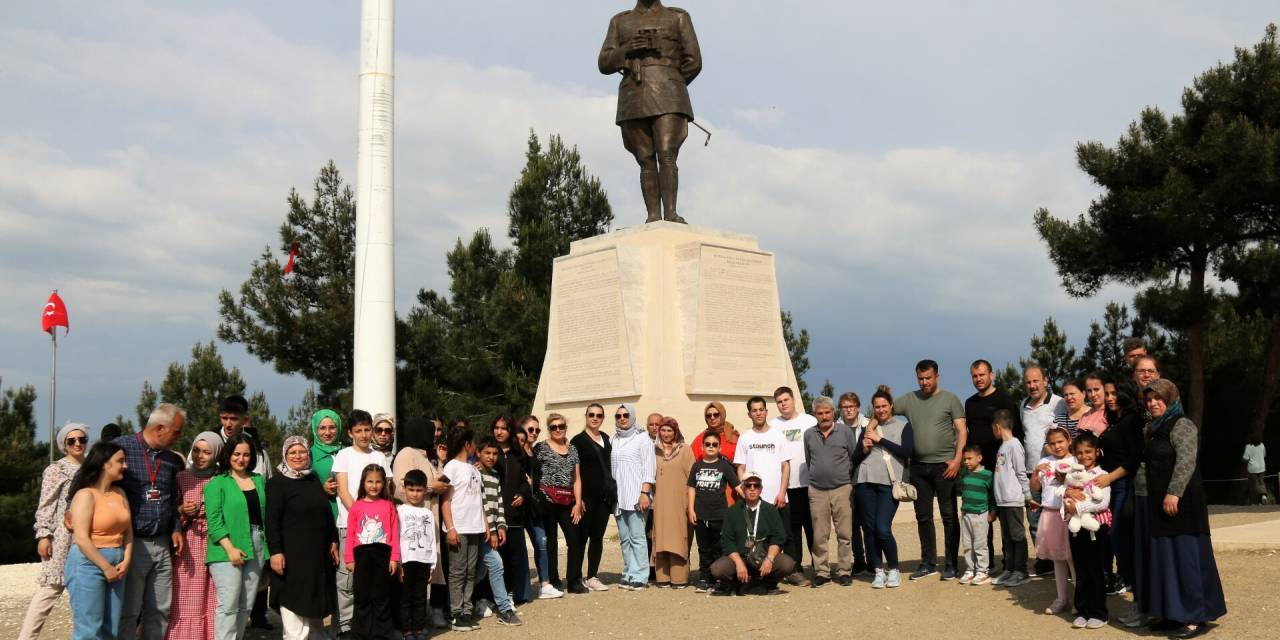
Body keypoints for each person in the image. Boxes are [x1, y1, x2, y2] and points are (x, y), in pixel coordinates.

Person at [1127, 379, 1226, 638]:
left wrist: (1173, 493)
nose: (1153, 403)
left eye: (1158, 398)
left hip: (1180, 506)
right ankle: (1171, 614)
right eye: (1148, 399)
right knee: (1163, 562)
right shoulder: (1150, 428)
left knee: (1185, 560)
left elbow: (1186, 461)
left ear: (1171, 399)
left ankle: (1194, 616)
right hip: (1156, 505)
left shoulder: (1182, 424)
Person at [597, 0, 703, 223]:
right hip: (633, 95)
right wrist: (627, 49)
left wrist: (671, 80)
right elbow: (604, 63)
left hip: (669, 94)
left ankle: (671, 213)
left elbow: (694, 61)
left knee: (667, 152)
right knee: (645, 158)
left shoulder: (678, 17)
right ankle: (653, 216)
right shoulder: (620, 21)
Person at [114, 403, 186, 640]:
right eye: (176, 431)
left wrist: (176, 527)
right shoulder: (120, 449)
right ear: (159, 428)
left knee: (159, 608)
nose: (180, 436)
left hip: (163, 543)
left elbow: (173, 498)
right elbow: (88, 480)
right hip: (134, 543)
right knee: (130, 609)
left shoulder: (171, 460)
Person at [892, 360, 967, 581]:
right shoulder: (909, 399)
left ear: (937, 377)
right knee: (923, 516)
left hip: (945, 466)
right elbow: (884, 409)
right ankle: (928, 563)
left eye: (928, 378)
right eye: (921, 378)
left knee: (949, 516)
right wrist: (870, 429)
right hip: (918, 467)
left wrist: (957, 460)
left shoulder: (950, 399)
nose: (924, 382)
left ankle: (951, 564)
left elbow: (962, 430)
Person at [20, 422, 87, 640]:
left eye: (82, 439)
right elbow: (46, 504)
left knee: (85, 592)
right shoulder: (55, 470)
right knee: (50, 590)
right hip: (62, 538)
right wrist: (44, 535)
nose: (77, 443)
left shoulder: (93, 467)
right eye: (72, 440)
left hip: (90, 536)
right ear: (64, 445)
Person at [266, 436, 338, 640]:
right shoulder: (276, 484)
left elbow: (325, 512)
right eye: (292, 452)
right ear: (285, 455)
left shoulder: (313, 478)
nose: (298, 456)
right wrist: (276, 552)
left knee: (315, 615)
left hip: (316, 558)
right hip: (291, 559)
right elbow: (272, 522)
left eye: (302, 452)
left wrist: (333, 540)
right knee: (295, 623)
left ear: (309, 454)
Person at [331, 410, 392, 635]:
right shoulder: (344, 455)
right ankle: (347, 626)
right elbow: (343, 489)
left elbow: (386, 488)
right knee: (348, 578)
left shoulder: (379, 456)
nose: (364, 434)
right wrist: (360, 514)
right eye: (359, 430)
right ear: (350, 433)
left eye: (367, 429)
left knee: (374, 579)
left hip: (378, 531)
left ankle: (374, 626)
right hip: (351, 524)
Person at [64, 441, 133, 640]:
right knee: (88, 630)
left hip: (117, 562)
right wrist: (105, 567)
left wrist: (126, 559)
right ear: (104, 463)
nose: (125, 465)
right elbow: (82, 538)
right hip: (89, 563)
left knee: (110, 629)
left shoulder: (120, 493)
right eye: (120, 461)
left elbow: (128, 531)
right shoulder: (85, 495)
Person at [204, 433, 268, 640]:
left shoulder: (258, 481)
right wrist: (230, 548)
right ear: (228, 455)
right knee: (229, 604)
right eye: (236, 454)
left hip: (256, 543)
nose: (241, 459)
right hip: (226, 548)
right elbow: (213, 521)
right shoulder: (217, 483)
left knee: (246, 604)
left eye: (246, 455)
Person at [851, 386, 913, 589]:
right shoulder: (868, 427)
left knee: (882, 528)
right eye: (877, 406)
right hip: (864, 480)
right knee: (868, 529)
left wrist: (880, 439)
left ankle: (893, 569)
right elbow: (855, 458)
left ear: (891, 405)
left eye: (884, 405)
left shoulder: (903, 425)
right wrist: (865, 447)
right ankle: (878, 569)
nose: (880, 409)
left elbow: (906, 452)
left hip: (889, 482)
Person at [964, 359, 1021, 578]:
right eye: (974, 376)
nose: (978, 379)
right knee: (981, 515)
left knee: (1006, 515)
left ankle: (1010, 563)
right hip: (979, 468)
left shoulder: (1004, 399)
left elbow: (1018, 432)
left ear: (992, 374)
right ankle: (983, 565)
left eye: (982, 375)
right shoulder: (970, 403)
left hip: (1003, 468)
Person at [392, 416, 449, 628]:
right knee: (410, 576)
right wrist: (431, 488)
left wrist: (441, 462)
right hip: (412, 524)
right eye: (428, 430)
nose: (433, 435)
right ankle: (405, 624)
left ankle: (422, 618)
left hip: (429, 520)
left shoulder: (426, 456)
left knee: (430, 570)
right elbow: (400, 487)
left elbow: (438, 480)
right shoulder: (406, 454)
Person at [166, 432, 221, 640]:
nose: (200, 456)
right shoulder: (181, 477)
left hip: (214, 541)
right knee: (186, 592)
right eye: (196, 450)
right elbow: (169, 510)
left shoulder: (221, 479)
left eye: (207, 452)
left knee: (212, 591)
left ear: (216, 454)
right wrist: (181, 509)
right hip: (187, 542)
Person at [803, 396, 858, 586]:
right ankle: (822, 572)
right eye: (820, 413)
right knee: (819, 534)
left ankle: (843, 571)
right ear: (814, 414)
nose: (824, 416)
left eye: (827, 412)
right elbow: (810, 460)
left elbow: (853, 457)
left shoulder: (845, 432)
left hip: (842, 488)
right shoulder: (809, 434)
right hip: (817, 490)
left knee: (844, 533)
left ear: (833, 412)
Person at [709, 472, 795, 593]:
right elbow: (727, 541)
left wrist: (769, 559)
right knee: (717, 569)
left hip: (762, 556)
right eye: (748, 486)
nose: (752, 489)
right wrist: (739, 563)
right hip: (741, 556)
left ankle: (768, 584)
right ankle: (735, 584)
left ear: (761, 489)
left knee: (787, 564)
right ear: (743, 488)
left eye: (756, 485)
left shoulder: (770, 510)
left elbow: (779, 537)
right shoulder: (732, 512)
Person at [1096, 378, 1142, 599]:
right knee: (1112, 534)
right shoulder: (1115, 420)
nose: (1110, 398)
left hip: (1122, 484)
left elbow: (1134, 457)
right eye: (1107, 394)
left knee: (1119, 534)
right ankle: (1124, 578)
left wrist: (1110, 477)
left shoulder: (1132, 419)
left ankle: (1131, 580)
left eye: (1114, 393)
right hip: (1111, 485)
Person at [1019, 365, 1066, 577]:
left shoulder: (1058, 403)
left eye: (1036, 381)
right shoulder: (1023, 405)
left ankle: (1063, 559)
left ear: (1045, 381)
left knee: (1058, 518)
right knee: (1034, 519)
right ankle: (1043, 561)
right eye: (1028, 382)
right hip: (1032, 472)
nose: (1032, 386)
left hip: (1055, 472)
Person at [531, 414, 584, 596]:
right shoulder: (541, 448)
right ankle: (553, 579)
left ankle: (574, 580)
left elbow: (576, 478)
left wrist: (578, 502)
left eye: (561, 426)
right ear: (549, 429)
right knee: (551, 542)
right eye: (553, 427)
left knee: (575, 540)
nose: (558, 429)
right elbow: (533, 470)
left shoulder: (573, 449)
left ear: (566, 427)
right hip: (548, 499)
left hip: (568, 499)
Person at [344, 464, 399, 640]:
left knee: (381, 597)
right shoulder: (356, 506)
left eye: (378, 482)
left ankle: (381, 635)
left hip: (383, 555)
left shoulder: (389, 506)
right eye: (370, 481)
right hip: (361, 556)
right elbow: (351, 535)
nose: (374, 485)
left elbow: (394, 533)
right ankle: (360, 635)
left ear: (384, 484)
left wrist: (394, 558)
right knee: (362, 597)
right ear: (363, 482)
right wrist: (349, 559)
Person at [1063, 432, 1112, 629]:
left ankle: (1099, 613)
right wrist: (1067, 495)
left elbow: (1103, 502)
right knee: (1080, 571)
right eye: (1080, 453)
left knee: (1096, 571)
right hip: (1076, 529)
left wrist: (1079, 508)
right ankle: (1083, 610)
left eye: (1088, 452)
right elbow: (1064, 498)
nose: (1084, 456)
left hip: (1096, 529)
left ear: (1097, 452)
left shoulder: (1101, 475)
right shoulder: (1072, 476)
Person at [769, 386, 817, 586]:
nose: (783, 404)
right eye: (779, 402)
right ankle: (795, 569)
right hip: (786, 488)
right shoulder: (773, 425)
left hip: (809, 484)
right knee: (791, 531)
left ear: (793, 399)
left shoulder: (809, 421)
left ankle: (819, 566)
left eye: (786, 400)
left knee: (813, 528)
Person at [475, 437, 522, 626]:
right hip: (481, 530)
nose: (492, 457)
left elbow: (498, 504)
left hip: (493, 529)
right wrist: (492, 531)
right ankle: (504, 609)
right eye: (487, 453)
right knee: (495, 564)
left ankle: (468, 602)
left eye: (495, 453)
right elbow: (482, 504)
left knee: (479, 570)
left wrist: (501, 526)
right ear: (478, 453)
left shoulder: (495, 475)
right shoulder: (476, 473)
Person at [442, 426, 485, 631]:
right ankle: (455, 612)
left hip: (475, 527)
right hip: (458, 527)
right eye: (473, 442)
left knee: (471, 571)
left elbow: (479, 500)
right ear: (467, 444)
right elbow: (445, 500)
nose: (475, 446)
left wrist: (485, 524)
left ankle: (467, 611)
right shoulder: (451, 467)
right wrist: (450, 528)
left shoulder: (474, 468)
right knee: (457, 571)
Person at [687, 430, 740, 592]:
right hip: (701, 514)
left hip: (719, 515)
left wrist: (751, 497)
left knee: (718, 549)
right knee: (704, 549)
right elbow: (691, 488)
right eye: (708, 444)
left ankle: (718, 579)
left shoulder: (724, 465)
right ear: (702, 447)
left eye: (714, 444)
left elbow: (737, 485)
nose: (711, 447)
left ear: (719, 447)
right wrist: (691, 509)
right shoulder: (697, 465)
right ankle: (704, 578)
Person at [1030, 426, 1076, 615]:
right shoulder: (1044, 462)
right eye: (1052, 443)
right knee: (1058, 559)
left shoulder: (1075, 461)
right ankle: (1061, 598)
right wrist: (1035, 473)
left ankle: (1079, 600)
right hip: (1049, 514)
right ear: (1047, 445)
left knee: (1073, 559)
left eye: (1060, 442)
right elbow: (1036, 487)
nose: (1057, 446)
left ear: (1068, 441)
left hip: (1069, 514)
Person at [611, 404, 656, 591]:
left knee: (637, 536)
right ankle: (629, 571)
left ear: (633, 416)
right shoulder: (614, 439)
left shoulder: (642, 439)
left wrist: (645, 493)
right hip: (619, 497)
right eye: (619, 415)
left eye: (626, 415)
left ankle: (640, 575)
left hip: (636, 496)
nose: (622, 418)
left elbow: (649, 468)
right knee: (624, 538)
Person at [570, 404, 615, 592]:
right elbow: (573, 473)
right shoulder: (577, 441)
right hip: (586, 498)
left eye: (599, 415)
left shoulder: (605, 438)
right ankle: (576, 577)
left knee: (597, 537)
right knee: (581, 538)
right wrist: (577, 500)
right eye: (591, 415)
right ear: (586, 416)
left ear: (603, 418)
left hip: (604, 498)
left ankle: (592, 576)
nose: (595, 418)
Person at [491, 415, 533, 604]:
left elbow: (525, 481)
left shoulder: (518, 454)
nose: (499, 432)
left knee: (513, 558)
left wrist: (523, 494)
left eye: (503, 428)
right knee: (495, 560)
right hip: (494, 515)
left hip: (514, 516)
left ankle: (511, 593)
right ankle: (492, 597)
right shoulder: (490, 453)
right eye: (496, 428)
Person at [991, 410, 1032, 588]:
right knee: (1007, 537)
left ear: (997, 427)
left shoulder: (1014, 445)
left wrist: (1027, 495)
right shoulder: (1003, 446)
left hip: (1013, 500)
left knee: (1017, 535)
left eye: (993, 428)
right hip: (1003, 501)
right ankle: (1010, 568)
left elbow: (1021, 473)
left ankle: (1021, 571)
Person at [517, 415, 557, 599]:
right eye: (530, 429)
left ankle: (545, 583)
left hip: (535, 505)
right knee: (520, 550)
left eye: (537, 430)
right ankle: (520, 589)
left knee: (541, 543)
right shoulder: (516, 452)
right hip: (519, 505)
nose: (534, 433)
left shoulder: (536, 451)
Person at [652, 416, 695, 587]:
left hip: (679, 501)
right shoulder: (653, 450)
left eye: (669, 430)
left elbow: (693, 477)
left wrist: (691, 503)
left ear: (675, 431)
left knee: (678, 538)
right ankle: (662, 577)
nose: (665, 433)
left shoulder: (685, 450)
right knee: (661, 537)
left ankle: (679, 578)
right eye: (663, 430)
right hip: (660, 502)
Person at [397, 470, 436, 640]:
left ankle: (418, 629)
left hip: (424, 560)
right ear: (404, 488)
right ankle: (407, 630)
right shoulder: (399, 511)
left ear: (425, 491)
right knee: (405, 597)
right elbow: (396, 537)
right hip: (405, 560)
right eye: (411, 489)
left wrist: (432, 564)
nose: (414, 494)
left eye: (419, 490)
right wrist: (398, 562)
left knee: (420, 596)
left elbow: (431, 539)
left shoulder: (428, 513)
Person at [734, 397, 791, 509]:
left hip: (777, 499)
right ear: (749, 414)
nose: (758, 413)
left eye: (761, 409)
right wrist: (745, 492)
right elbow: (741, 468)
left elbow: (786, 466)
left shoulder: (778, 435)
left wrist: (782, 493)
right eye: (754, 411)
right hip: (753, 501)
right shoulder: (744, 437)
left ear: (766, 412)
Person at [837, 392, 870, 575]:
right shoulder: (835, 427)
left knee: (868, 522)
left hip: (865, 478)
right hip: (844, 480)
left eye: (852, 406)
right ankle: (859, 560)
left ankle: (874, 560)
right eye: (845, 407)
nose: (849, 410)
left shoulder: (868, 424)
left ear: (858, 407)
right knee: (851, 524)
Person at [957, 444, 995, 586]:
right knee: (967, 544)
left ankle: (982, 571)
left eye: (969, 458)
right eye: (964, 459)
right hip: (966, 514)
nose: (966, 461)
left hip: (981, 515)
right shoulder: (964, 474)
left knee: (980, 544)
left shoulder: (988, 475)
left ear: (979, 458)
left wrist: (993, 511)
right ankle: (970, 569)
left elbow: (992, 495)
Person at [308, 410, 345, 523]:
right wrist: (321, 489)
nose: (327, 432)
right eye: (322, 428)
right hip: (322, 516)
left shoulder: (348, 452)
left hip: (349, 515)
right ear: (315, 429)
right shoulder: (308, 455)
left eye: (332, 427)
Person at [1243, 435, 1267, 505]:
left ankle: (1256, 502)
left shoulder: (1248, 447)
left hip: (1252, 468)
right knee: (1261, 482)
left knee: (1255, 484)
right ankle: (1263, 495)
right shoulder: (1262, 445)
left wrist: (1243, 460)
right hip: (1262, 467)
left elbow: (1245, 458)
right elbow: (1264, 455)